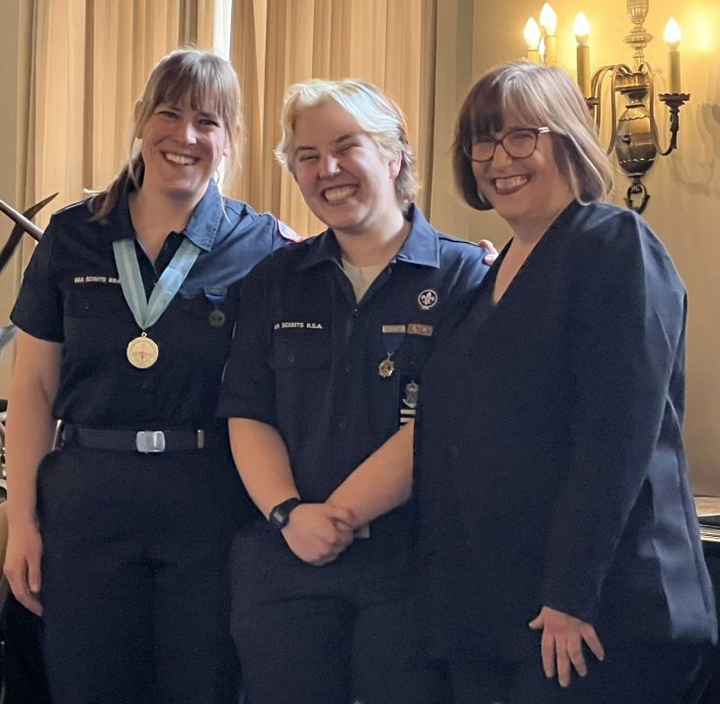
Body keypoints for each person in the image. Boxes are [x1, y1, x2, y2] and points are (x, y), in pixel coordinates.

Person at [412, 60, 718, 703]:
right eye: (483, 141)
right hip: (499, 616)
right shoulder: (482, 280)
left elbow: (616, 434)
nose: (499, 159)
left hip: (597, 613)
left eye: (522, 136)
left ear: (569, 140)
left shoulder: (614, 243)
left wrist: (570, 595)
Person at [2, 48, 297, 704]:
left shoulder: (263, 243)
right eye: (169, 113)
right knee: (88, 686)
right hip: (87, 500)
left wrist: (461, 266)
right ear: (141, 120)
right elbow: (33, 390)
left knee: (202, 686)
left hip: (209, 502)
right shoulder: (73, 235)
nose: (185, 136)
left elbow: (350, 275)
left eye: (208, 121)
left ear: (231, 140)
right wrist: (23, 521)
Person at [217, 78, 492, 704]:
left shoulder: (464, 277)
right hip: (285, 564)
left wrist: (335, 519)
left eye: (347, 147)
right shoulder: (275, 278)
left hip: (413, 569)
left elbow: (446, 423)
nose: (327, 170)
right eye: (307, 157)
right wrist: (291, 515)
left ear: (393, 156)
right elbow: (248, 410)